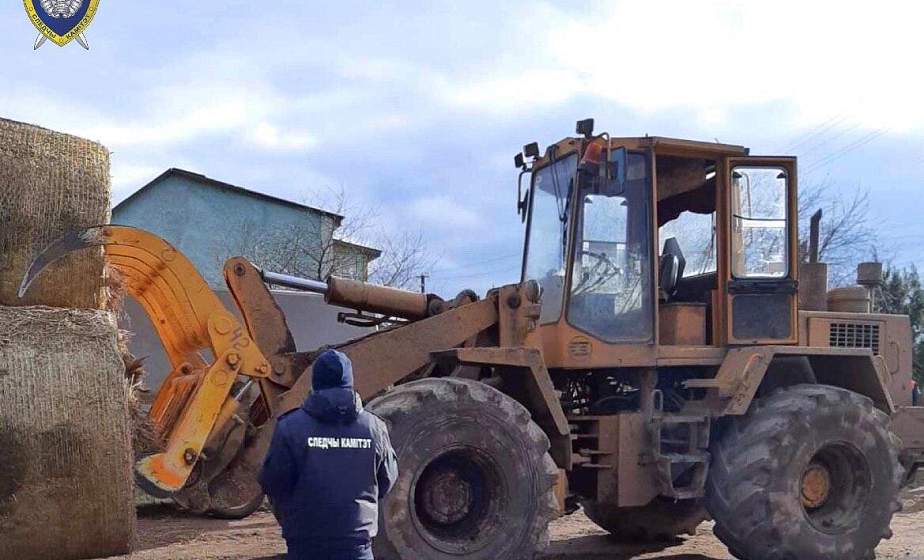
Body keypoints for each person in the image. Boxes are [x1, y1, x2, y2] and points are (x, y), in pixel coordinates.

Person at [259, 349, 398, 560]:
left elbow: (273, 481)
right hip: (357, 546)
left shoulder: (290, 427)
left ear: (315, 383)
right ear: (350, 383)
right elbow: (387, 480)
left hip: (305, 545)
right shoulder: (374, 428)